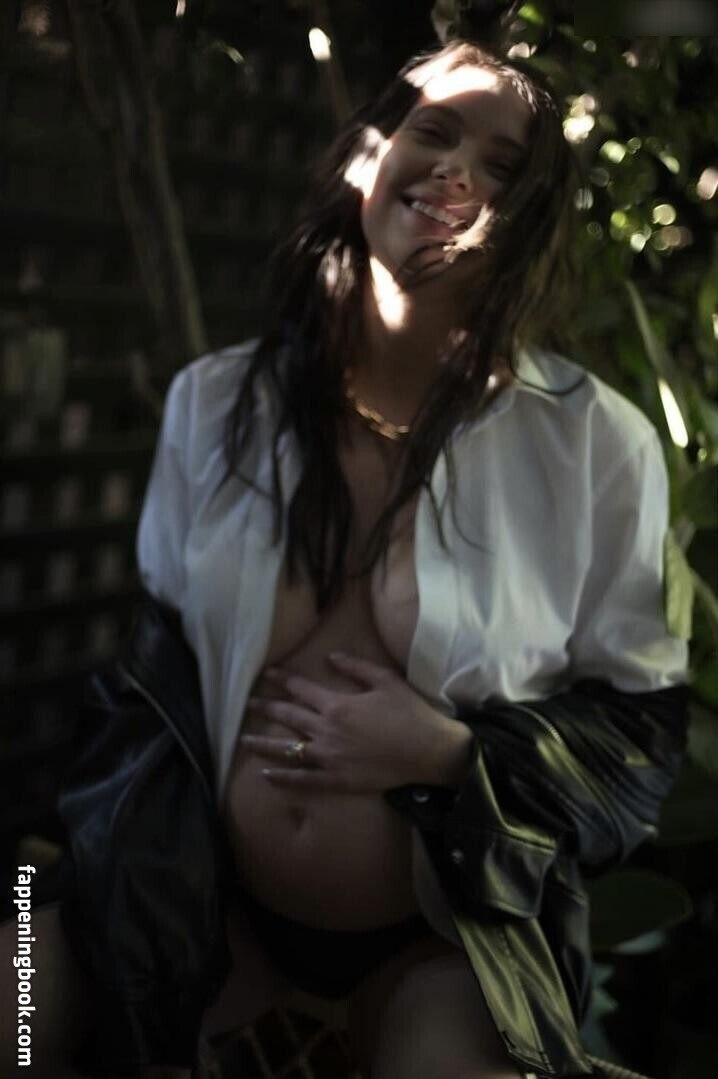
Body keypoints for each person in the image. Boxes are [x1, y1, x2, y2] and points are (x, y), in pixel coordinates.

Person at [0, 37, 689, 1079]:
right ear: (367, 158)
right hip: (197, 908)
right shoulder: (214, 404)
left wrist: (452, 754)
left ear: (532, 221)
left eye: (503, 167)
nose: (456, 170)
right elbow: (145, 695)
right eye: (434, 131)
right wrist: (111, 901)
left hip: (447, 942)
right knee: (14, 987)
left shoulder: (596, 446)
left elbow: (638, 744)